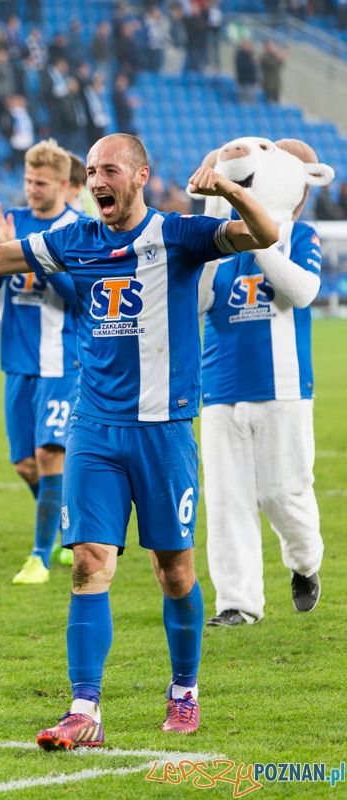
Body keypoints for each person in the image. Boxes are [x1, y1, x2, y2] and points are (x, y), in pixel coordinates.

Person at [0, 133, 278, 747]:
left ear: (140, 175)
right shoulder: (75, 239)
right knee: (90, 564)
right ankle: (83, 708)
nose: (96, 181)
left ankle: (184, 692)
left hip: (163, 429)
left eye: (108, 170)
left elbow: (264, 234)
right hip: (93, 427)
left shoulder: (179, 234)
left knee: (174, 572)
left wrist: (225, 190)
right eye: (90, 171)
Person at [199, 138, 328, 627]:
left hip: (284, 387)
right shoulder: (217, 243)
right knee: (227, 500)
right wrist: (212, 237)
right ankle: (238, 602)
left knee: (284, 493)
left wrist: (262, 243)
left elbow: (303, 291)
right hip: (220, 386)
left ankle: (305, 562)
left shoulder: (300, 234)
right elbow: (197, 303)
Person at [0, 140, 80, 583]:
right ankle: (67, 524)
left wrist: (38, 256)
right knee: (24, 463)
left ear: (63, 184)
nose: (32, 189)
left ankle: (40, 556)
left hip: (61, 359)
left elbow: (77, 295)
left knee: (49, 453)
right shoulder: (12, 221)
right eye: (28, 181)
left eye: (41, 183)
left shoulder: (75, 228)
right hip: (17, 359)